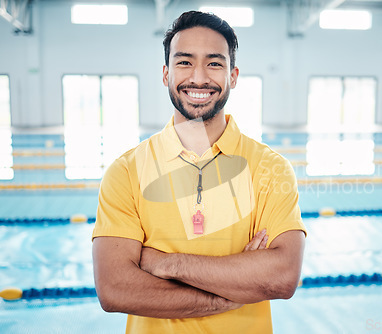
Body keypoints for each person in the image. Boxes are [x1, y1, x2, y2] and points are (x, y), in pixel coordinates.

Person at [92, 10, 306, 334]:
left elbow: (282, 276)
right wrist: (233, 292)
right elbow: (114, 289)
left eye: (214, 63)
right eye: (184, 62)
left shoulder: (271, 169)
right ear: (166, 74)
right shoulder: (126, 172)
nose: (199, 78)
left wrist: (165, 264)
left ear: (233, 76)